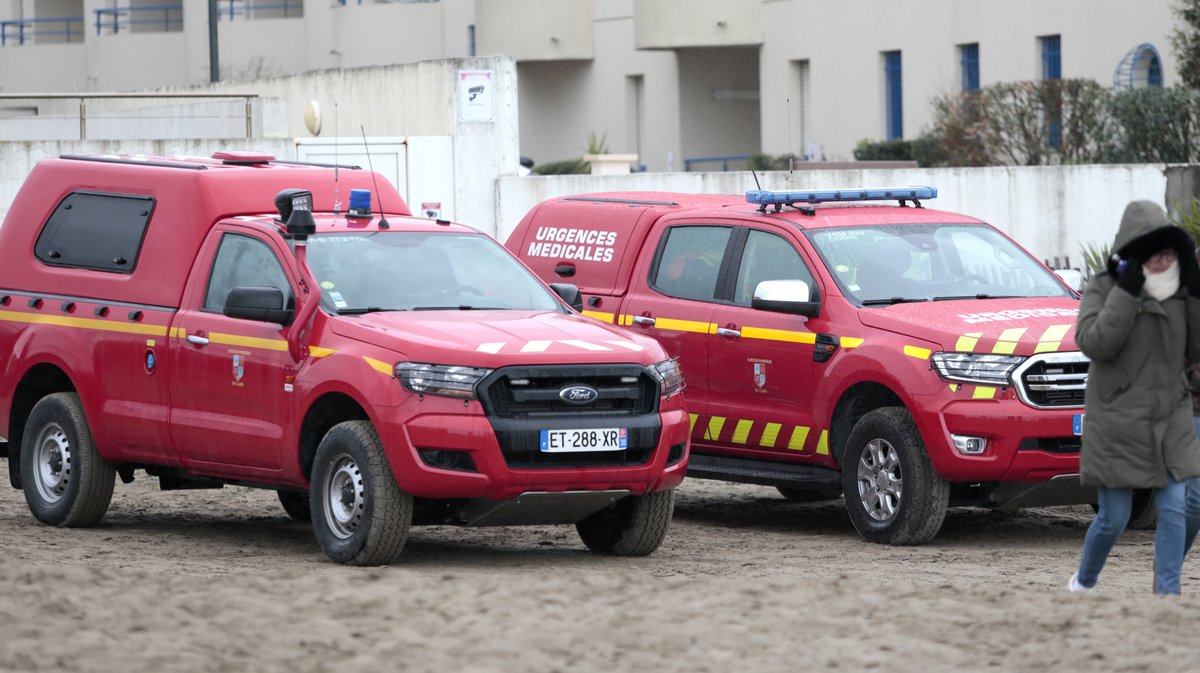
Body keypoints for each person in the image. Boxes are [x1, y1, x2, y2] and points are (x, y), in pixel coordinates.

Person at [1070, 200, 1200, 595]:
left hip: (1170, 414)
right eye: (1154, 252)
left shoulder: (1180, 292)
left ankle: (1167, 597)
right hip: (1117, 418)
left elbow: (1196, 349)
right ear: (1134, 250)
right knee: (1114, 517)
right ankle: (1084, 583)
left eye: (1169, 252)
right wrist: (1127, 291)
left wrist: (1195, 292)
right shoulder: (1104, 286)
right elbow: (1095, 343)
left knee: (1175, 506)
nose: (1164, 260)